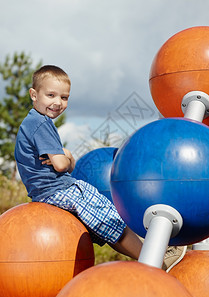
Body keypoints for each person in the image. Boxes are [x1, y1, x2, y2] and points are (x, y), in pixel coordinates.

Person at [14, 64, 186, 270]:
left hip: (45, 191)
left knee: (107, 225)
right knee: (111, 220)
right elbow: (62, 165)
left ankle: (148, 256)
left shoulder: (32, 122)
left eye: (64, 97)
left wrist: (66, 159)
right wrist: (66, 155)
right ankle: (155, 260)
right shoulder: (41, 123)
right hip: (56, 191)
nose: (57, 102)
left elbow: (68, 166)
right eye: (50, 95)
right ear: (34, 94)